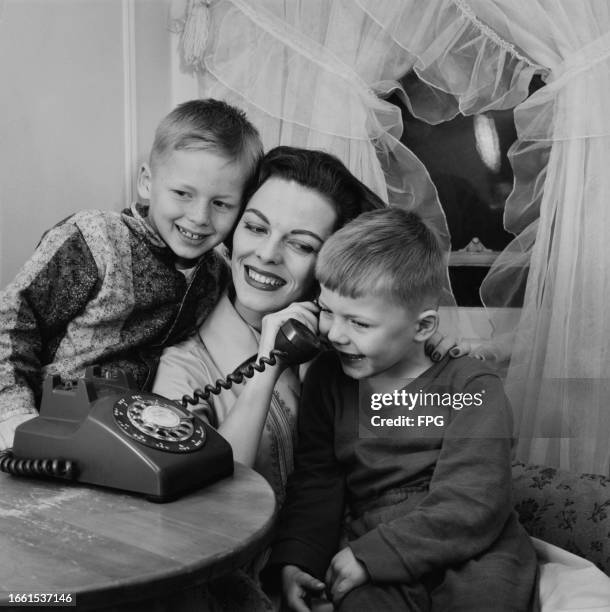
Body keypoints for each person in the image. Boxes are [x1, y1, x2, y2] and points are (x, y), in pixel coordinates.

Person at [266, 207, 538, 611]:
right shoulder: (328, 377)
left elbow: (474, 501)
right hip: (371, 546)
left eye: (359, 323)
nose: (334, 334)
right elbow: (317, 482)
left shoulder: (473, 387)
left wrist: (375, 554)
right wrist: (295, 559)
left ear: (423, 327)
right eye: (326, 312)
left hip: (474, 552)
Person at [152, 146, 461, 503]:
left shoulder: (347, 347)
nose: (267, 254)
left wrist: (428, 354)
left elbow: (421, 465)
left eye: (300, 245)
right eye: (255, 227)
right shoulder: (184, 366)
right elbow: (205, 504)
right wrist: (265, 369)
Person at [0, 98, 263, 449]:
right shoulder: (94, 238)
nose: (200, 217)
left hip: (132, 443)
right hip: (40, 432)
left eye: (221, 204)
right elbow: (13, 322)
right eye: (183, 193)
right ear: (146, 182)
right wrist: (13, 414)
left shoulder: (217, 275)